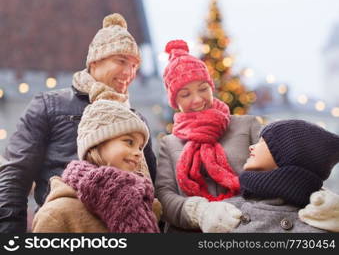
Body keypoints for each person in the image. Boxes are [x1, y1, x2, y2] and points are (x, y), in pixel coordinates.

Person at [0, 13, 157, 233]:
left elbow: (153, 189)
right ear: (95, 60)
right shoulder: (50, 106)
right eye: (121, 61)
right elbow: (14, 178)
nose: (129, 73)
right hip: (65, 227)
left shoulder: (136, 121)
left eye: (134, 65)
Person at [155, 40, 262, 232]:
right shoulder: (169, 144)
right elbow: (164, 196)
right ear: (174, 101)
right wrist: (201, 213)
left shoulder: (247, 125)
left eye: (203, 89)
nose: (197, 100)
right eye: (185, 94)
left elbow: (272, 174)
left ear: (211, 87)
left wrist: (236, 210)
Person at [184, 119, 339, 232]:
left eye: (263, 142)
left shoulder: (319, 222)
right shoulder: (225, 213)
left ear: (290, 155)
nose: (252, 147)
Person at [32, 99, 160, 233]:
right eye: (129, 142)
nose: (139, 153)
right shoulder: (57, 214)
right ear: (97, 143)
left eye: (140, 147)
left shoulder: (144, 204)